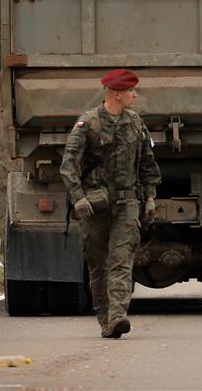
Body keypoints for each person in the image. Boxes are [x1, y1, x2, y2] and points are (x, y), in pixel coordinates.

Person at [60, 68, 161, 339]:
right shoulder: (88, 123)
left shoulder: (136, 123)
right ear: (116, 94)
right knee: (98, 265)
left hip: (127, 203)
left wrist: (150, 198)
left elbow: (147, 163)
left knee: (122, 258)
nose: (135, 94)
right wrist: (78, 198)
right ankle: (105, 317)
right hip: (95, 205)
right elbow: (68, 166)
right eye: (130, 91)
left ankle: (118, 315)